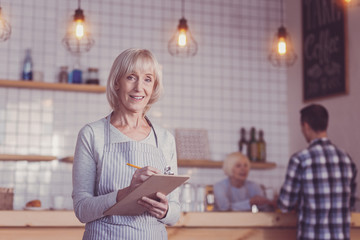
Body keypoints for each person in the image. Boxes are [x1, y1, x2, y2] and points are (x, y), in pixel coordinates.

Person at [72, 48, 180, 239]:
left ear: (154, 86)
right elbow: (82, 210)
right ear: (116, 83)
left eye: (147, 79)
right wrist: (126, 193)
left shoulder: (165, 139)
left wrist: (165, 210)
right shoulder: (92, 134)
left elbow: (176, 212)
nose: (139, 87)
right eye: (131, 77)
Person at [277, 104, 357, 240]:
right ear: (326, 124)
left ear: (306, 126)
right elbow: (351, 203)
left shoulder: (300, 159)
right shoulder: (346, 159)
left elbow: (285, 204)